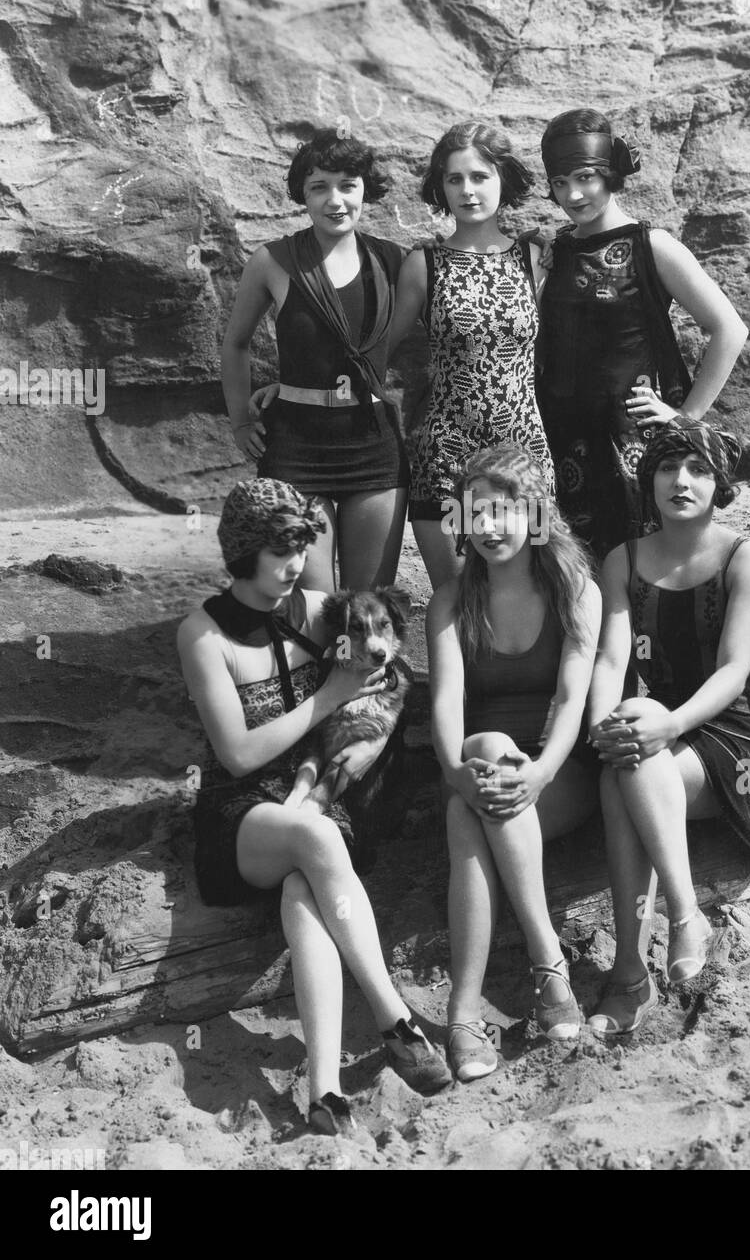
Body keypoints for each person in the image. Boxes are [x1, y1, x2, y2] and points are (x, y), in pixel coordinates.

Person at [178, 478, 451, 1132]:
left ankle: (323, 1092)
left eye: (301, 547)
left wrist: (367, 732)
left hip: (321, 799)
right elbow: (239, 756)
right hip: (241, 817)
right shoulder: (202, 634)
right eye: (279, 552)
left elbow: (393, 668)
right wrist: (330, 696)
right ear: (243, 552)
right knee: (313, 844)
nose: (295, 565)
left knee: (306, 886)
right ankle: (397, 1019)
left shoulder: (327, 608)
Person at [587, 416, 750, 1038]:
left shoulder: (742, 556)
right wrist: (600, 722)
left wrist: (666, 724)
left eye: (698, 469)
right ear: (648, 481)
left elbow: (733, 671)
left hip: (740, 737)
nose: (681, 480)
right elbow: (612, 658)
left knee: (632, 758)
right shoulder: (622, 560)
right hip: (664, 738)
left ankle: (650, 947)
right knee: (621, 759)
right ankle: (655, 942)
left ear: (720, 481)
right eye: (668, 468)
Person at [426, 446, 602, 1081]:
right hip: (479, 770)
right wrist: (455, 770)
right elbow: (446, 702)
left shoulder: (576, 589)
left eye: (502, 510)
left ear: (535, 516)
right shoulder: (449, 601)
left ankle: (464, 1011)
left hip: (561, 775)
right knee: (484, 752)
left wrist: (542, 771)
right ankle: (546, 970)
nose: (490, 526)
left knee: (469, 811)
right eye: (476, 513)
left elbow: (570, 697)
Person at [537, 108, 750, 560]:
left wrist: (685, 418)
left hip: (634, 444)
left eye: (584, 177)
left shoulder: (652, 246)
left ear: (610, 174)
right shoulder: (553, 252)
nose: (572, 194)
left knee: (642, 572)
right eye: (559, 182)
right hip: (562, 442)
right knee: (574, 577)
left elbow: (730, 329)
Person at [221, 132, 409, 592]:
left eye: (348, 185)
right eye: (319, 187)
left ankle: (361, 669)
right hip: (296, 451)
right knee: (314, 604)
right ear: (302, 195)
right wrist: (242, 423)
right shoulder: (273, 260)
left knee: (368, 604)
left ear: (366, 189)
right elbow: (235, 344)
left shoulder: (394, 261)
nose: (335, 200)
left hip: (374, 449)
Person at [392, 121, 556, 589]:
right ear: (440, 187)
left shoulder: (537, 257)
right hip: (445, 454)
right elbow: (373, 353)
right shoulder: (423, 264)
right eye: (454, 179)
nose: (467, 190)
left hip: (525, 452)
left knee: (535, 596)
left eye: (480, 176)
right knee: (459, 598)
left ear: (503, 178)